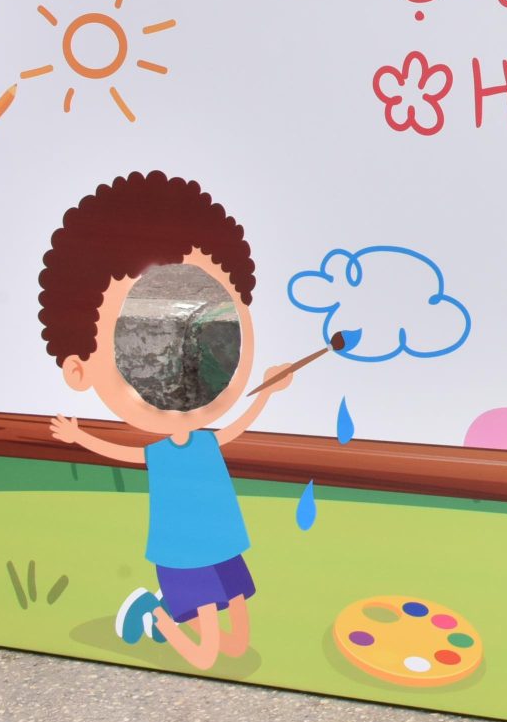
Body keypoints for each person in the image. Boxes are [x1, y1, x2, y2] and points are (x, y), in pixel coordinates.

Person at [39, 171, 307, 672]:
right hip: (183, 554)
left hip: (223, 544)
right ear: (79, 369)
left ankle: (160, 610)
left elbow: (237, 424)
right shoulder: (160, 453)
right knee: (205, 656)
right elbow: (123, 452)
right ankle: (157, 616)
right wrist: (79, 436)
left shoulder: (204, 441)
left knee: (236, 645)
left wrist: (268, 392)